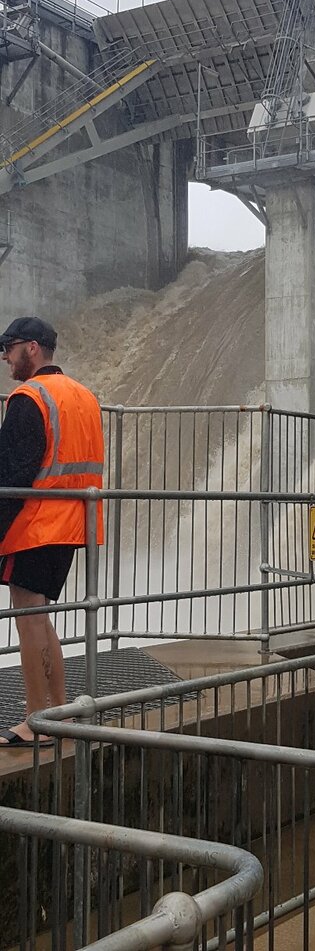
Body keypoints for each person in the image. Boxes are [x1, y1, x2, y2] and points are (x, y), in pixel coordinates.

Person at [0, 317, 104, 748]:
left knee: (29, 619)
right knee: (41, 618)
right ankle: (59, 714)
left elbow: (11, 476)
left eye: (8, 348)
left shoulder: (29, 398)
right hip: (73, 521)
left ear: (32, 349)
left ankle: (35, 720)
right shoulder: (84, 396)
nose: (5, 357)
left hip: (36, 524)